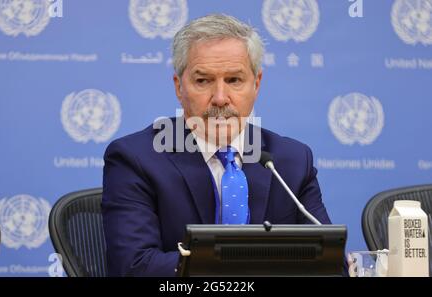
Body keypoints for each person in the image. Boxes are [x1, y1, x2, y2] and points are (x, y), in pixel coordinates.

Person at [102, 14, 332, 277]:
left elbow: (328, 264)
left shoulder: (291, 161)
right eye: (203, 81)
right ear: (179, 88)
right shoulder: (136, 159)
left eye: (234, 80)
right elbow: (134, 268)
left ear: (256, 84)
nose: (220, 98)